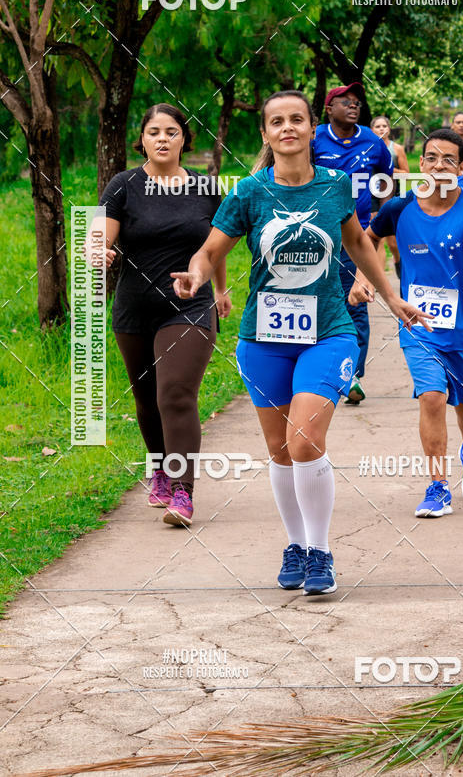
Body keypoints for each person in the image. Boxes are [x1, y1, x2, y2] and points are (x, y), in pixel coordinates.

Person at [172, 90, 431, 593]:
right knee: (279, 449)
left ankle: (321, 551)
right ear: (266, 134)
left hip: (329, 332)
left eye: (297, 119)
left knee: (304, 441)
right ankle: (295, 546)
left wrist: (392, 297)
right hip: (263, 337)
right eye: (277, 121)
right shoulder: (249, 191)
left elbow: (357, 241)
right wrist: (198, 276)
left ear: (312, 129)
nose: (287, 127)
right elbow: (209, 249)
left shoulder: (336, 185)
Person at [89, 103, 231, 527]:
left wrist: (220, 290)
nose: (163, 138)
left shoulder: (206, 188)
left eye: (171, 131)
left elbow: (216, 245)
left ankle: (183, 492)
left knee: (175, 394)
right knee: (147, 401)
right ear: (143, 139)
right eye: (154, 132)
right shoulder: (123, 185)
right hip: (134, 309)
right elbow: (98, 235)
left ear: (185, 139)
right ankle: (160, 469)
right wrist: (99, 252)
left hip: (190, 305)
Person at [360, 128, 463, 518]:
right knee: (432, 397)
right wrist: (363, 279)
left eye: (448, 159)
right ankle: (437, 487)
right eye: (432, 158)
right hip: (419, 325)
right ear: (420, 164)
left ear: (462, 166)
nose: (439, 166)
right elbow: (366, 240)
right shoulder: (398, 209)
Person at [313, 83, 394, 405]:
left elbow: (385, 186)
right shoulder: (313, 139)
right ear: (329, 109)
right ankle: (317, 367)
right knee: (318, 302)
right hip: (316, 236)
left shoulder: (374, 143)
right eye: (345, 102)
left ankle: (352, 375)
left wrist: (383, 224)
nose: (354, 106)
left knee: (356, 303)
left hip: (356, 238)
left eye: (357, 102)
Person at [370, 115, 409, 280]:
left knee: (393, 243)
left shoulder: (397, 148)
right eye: (377, 126)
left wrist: (388, 170)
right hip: (372, 194)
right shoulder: (368, 148)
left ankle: (400, 266)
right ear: (372, 130)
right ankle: (378, 279)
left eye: (384, 126)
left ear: (389, 129)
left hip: (393, 194)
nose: (381, 129)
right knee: (376, 238)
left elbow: (406, 173)